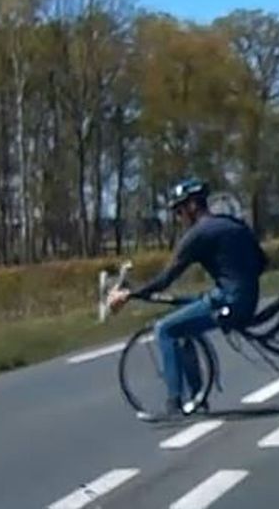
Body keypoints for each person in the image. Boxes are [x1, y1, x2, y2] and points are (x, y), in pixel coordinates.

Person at [107, 179, 266, 418]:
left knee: (165, 329)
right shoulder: (232, 224)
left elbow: (166, 278)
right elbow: (263, 262)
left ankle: (174, 402)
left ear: (192, 206)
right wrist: (236, 282)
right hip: (244, 298)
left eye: (179, 210)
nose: (178, 217)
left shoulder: (198, 234)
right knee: (186, 321)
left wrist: (129, 294)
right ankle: (197, 396)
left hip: (230, 302)